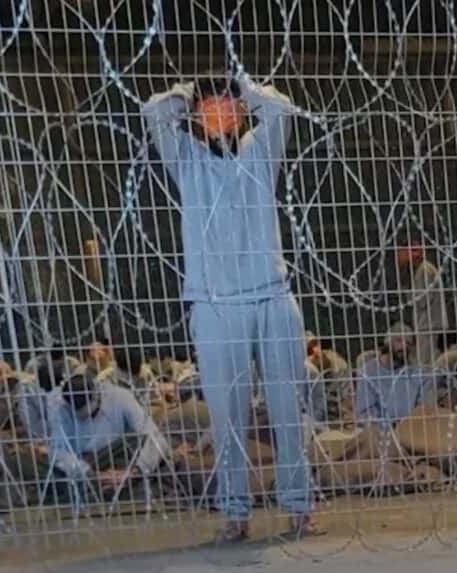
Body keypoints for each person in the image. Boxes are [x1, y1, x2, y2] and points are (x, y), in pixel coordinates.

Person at [143, 70, 319, 540]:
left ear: (241, 112)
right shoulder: (187, 160)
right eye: (210, 105)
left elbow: (279, 108)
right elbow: (154, 112)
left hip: (272, 296)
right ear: (197, 115)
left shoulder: (261, 152)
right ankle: (235, 513)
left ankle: (299, 507)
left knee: (288, 411)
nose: (219, 110)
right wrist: (187, 95)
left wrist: (245, 88)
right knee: (227, 419)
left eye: (227, 103)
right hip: (215, 304)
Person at [46, 364, 171, 494]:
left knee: (143, 443)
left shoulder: (120, 397)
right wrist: (89, 474)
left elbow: (157, 439)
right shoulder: (62, 409)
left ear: (96, 394)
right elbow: (57, 451)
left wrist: (134, 473)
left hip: (121, 457)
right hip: (84, 464)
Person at [354, 324, 438, 428]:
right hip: (378, 432)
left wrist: (407, 425)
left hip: (411, 431)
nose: (404, 346)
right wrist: (388, 427)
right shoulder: (368, 371)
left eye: (408, 343)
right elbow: (364, 413)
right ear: (387, 342)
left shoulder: (419, 373)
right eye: (399, 340)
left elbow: (427, 409)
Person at [397, 241, 448, 366]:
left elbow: (422, 300)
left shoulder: (423, 271)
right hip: (431, 324)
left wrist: (408, 293)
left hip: (428, 325)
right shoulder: (427, 268)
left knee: (425, 363)